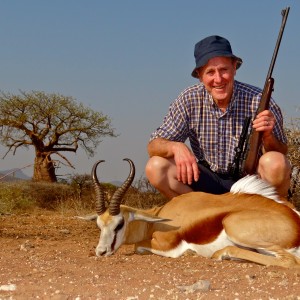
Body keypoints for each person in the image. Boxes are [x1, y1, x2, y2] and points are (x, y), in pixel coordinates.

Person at [145, 35, 291, 200]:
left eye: (223, 70)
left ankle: (270, 217)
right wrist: (175, 147)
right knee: (156, 167)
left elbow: (281, 152)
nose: (218, 79)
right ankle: (202, 216)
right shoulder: (188, 98)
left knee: (276, 163)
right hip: (207, 179)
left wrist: (268, 136)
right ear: (200, 76)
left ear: (234, 68)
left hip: (250, 183)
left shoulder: (259, 99)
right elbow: (153, 145)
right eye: (210, 72)